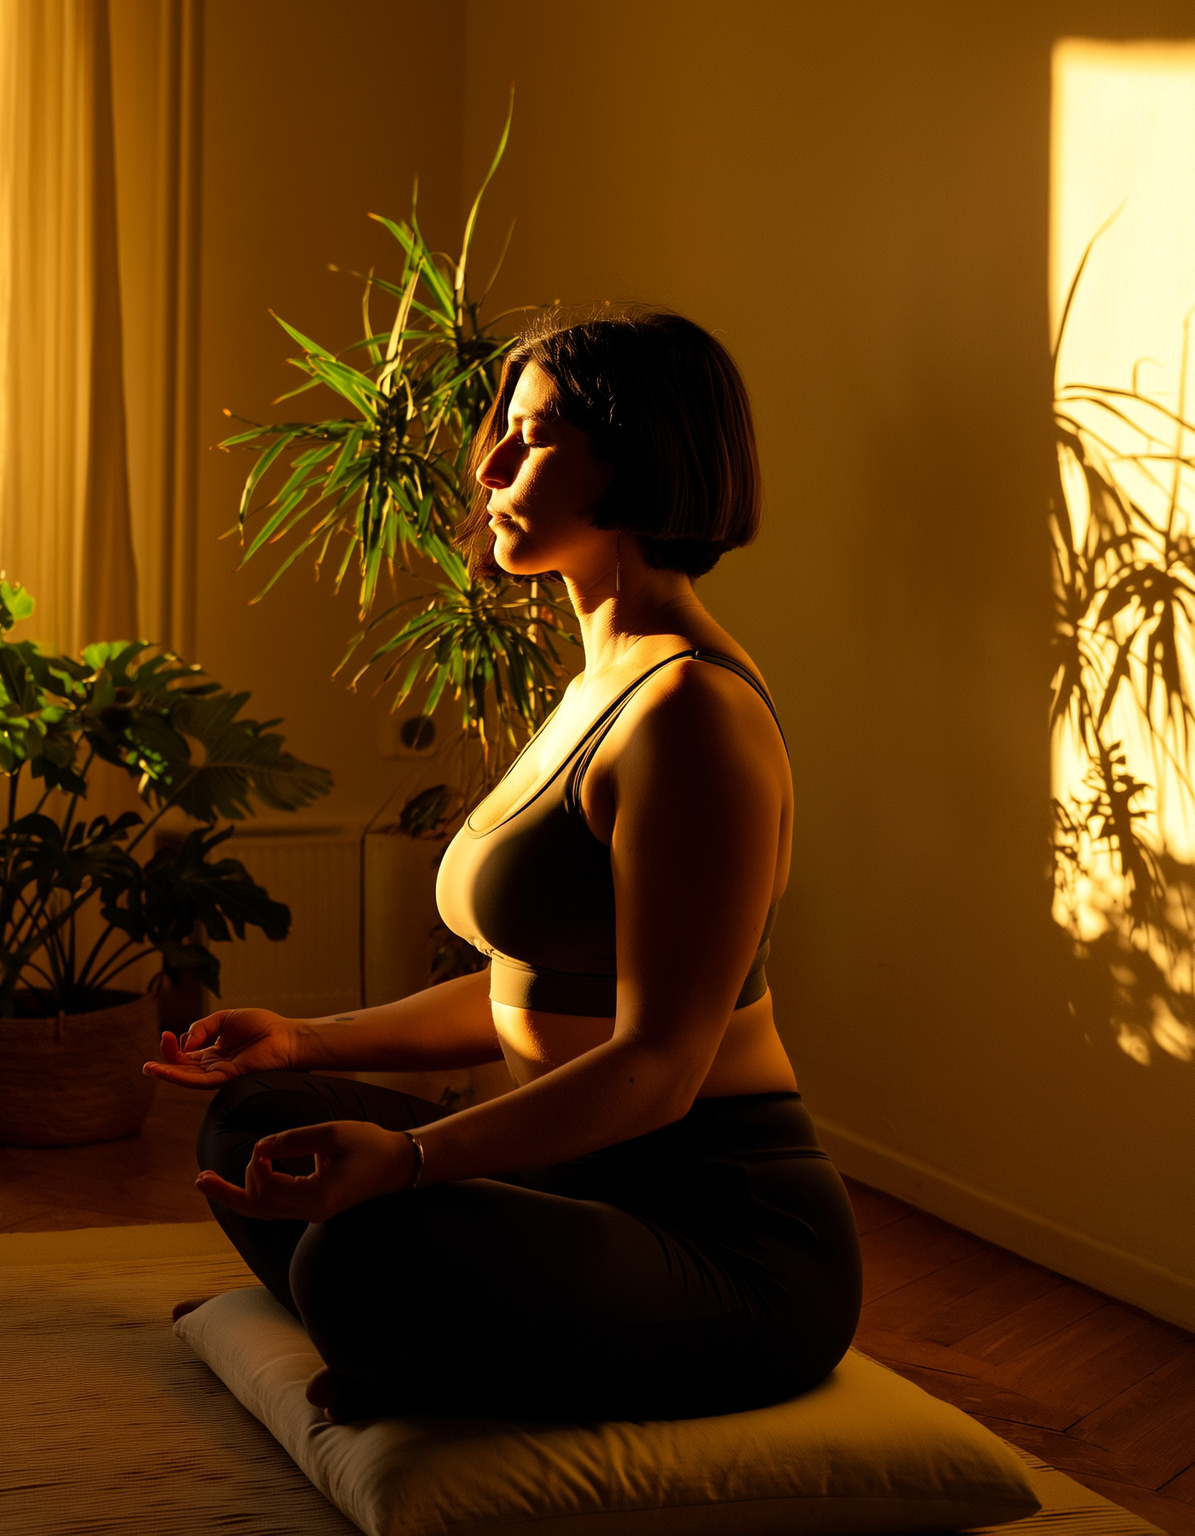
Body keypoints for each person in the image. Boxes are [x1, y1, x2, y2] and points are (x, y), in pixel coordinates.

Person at [144, 307, 863, 1425]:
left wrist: (413, 1157)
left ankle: (408, 1331)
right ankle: (429, 1334)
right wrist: (304, 1039)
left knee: (349, 1258)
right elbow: (525, 992)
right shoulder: (593, 684)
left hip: (720, 1235)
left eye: (528, 438)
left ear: (639, 457)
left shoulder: (688, 713)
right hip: (576, 1181)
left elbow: (661, 1064)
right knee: (258, 1121)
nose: (483, 467)